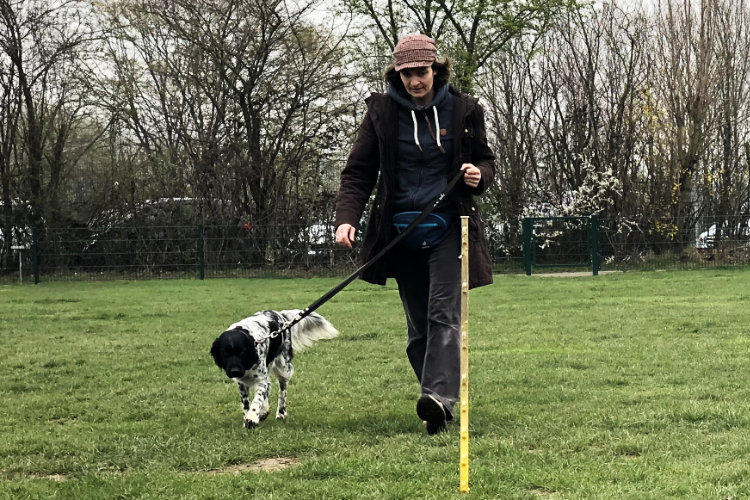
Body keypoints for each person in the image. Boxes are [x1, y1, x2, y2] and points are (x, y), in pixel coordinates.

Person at [334, 34, 495, 435]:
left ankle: (438, 398)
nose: (414, 81)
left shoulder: (464, 110)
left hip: (449, 226)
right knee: (418, 325)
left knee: (445, 314)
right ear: (397, 73)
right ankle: (437, 400)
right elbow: (358, 172)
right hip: (399, 232)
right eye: (406, 74)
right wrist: (346, 218)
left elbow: (485, 161)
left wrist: (479, 176)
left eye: (421, 72)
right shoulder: (381, 113)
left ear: (436, 70)